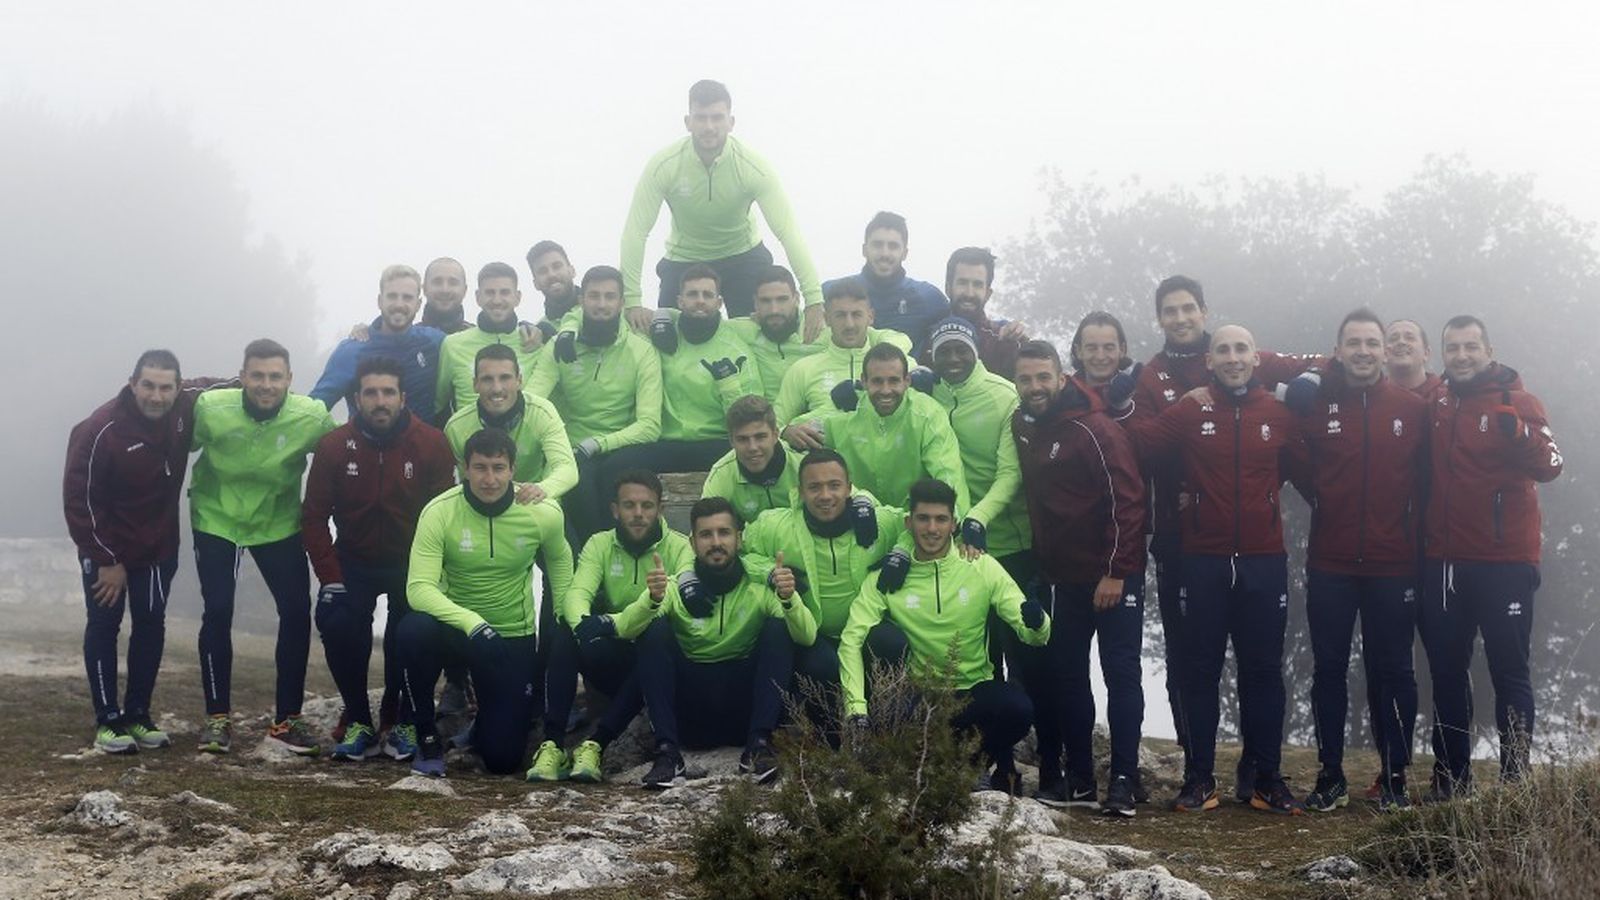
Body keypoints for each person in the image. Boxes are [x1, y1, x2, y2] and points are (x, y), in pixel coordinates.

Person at [1128, 275, 1316, 798]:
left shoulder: (1278, 413)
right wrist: (1137, 403)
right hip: (1200, 557)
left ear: (1257, 359)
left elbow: (1312, 478)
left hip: (1263, 559)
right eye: (1224, 352)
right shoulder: (1188, 407)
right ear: (1209, 361)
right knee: (1199, 669)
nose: (1233, 358)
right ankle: (1199, 778)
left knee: (1262, 670)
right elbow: (1138, 445)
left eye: (1242, 350)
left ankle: (1266, 777)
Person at [1275, 310, 1428, 812]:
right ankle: (1331, 774)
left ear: (1384, 350)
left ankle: (1396, 777)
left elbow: (1427, 479)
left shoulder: (1412, 407)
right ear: (1337, 350)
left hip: (1392, 563)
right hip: (1331, 562)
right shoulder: (1319, 404)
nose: (1363, 350)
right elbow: (1294, 459)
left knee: (1395, 671)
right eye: (1353, 343)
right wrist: (1325, 499)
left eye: (1371, 342)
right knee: (1329, 670)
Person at [1420, 315, 1562, 797]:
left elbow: (1552, 467)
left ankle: (1514, 782)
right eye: (1452, 348)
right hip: (1444, 563)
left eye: (1470, 347)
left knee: (1509, 671)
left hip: (1505, 564)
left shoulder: (1518, 402)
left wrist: (1519, 433)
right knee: (1446, 671)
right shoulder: (1437, 399)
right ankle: (1452, 778)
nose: (1461, 356)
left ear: (1488, 349)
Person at [839, 478, 1050, 794]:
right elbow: (851, 641)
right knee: (880, 639)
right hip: (916, 700)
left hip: (971, 695)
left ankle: (970, 767)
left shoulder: (981, 567)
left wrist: (1037, 623)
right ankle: (920, 765)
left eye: (941, 519)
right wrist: (856, 709)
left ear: (954, 524)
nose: (932, 528)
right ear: (909, 522)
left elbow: (1031, 633)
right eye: (923, 519)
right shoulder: (887, 577)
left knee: (1018, 710)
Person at [63, 350, 223, 754]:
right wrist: (106, 559)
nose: (157, 395)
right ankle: (108, 721)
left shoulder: (185, 404)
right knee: (104, 625)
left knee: (150, 624)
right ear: (132, 383)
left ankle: (138, 715)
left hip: (158, 548)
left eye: (166, 387)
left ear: (177, 387)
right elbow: (79, 500)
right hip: (107, 549)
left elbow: (224, 385)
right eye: (148, 385)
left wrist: (256, 384)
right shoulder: (100, 429)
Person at [1012, 340, 1147, 815]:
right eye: (1025, 379)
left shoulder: (1096, 430)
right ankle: (1083, 780)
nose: (1035, 387)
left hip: (1112, 577)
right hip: (1061, 579)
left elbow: (1128, 504)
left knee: (1121, 673)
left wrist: (1115, 572)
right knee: (1068, 678)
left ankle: (1125, 781)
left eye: (1043, 377)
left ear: (1061, 377)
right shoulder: (1024, 426)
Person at [302, 357, 456, 761]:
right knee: (336, 619)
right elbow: (313, 517)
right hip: (354, 558)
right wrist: (329, 576)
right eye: (371, 393)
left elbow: (447, 515)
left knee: (416, 633)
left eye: (388, 392)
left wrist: (435, 574)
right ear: (357, 399)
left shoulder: (433, 443)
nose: (380, 401)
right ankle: (358, 718)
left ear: (404, 397)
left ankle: (402, 715)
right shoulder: (334, 445)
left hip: (413, 562)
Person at [399, 428, 575, 777]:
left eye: (498, 468)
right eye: (480, 468)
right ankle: (426, 733)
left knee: (502, 759)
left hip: (511, 635)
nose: (490, 479)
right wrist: (472, 624)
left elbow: (559, 564)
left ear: (513, 469)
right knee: (413, 629)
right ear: (465, 468)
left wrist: (563, 617)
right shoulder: (440, 512)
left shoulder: (543, 512)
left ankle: (481, 726)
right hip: (456, 631)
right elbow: (418, 589)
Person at [189, 339, 336, 755]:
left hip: (277, 522)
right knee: (218, 609)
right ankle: (217, 719)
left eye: (275, 377)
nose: (266, 385)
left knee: (294, 611)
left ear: (290, 379)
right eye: (257, 376)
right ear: (242, 377)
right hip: (216, 518)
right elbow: (171, 443)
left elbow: (340, 457)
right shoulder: (212, 409)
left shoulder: (311, 416)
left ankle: (287, 719)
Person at [614, 497, 817, 788]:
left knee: (778, 628)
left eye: (724, 533)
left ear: (739, 537)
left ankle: (759, 745)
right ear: (692, 542)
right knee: (653, 629)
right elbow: (625, 629)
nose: (716, 542)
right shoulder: (674, 587)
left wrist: (789, 598)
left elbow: (806, 635)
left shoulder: (761, 586)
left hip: (744, 714)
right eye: (706, 535)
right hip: (692, 717)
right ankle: (668, 753)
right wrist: (652, 599)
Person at [620, 79, 824, 335]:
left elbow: (787, 231)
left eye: (717, 118)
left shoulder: (752, 167)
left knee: (759, 335)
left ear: (731, 122)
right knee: (667, 336)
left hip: (743, 255)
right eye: (701, 118)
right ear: (688, 122)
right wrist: (632, 300)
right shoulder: (664, 165)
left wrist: (814, 299)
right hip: (684, 257)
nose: (709, 127)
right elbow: (636, 231)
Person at [530, 470, 694, 783]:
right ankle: (552, 744)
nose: (638, 514)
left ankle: (596, 744)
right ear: (614, 510)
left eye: (647, 506)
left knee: (655, 629)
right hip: (615, 654)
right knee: (566, 630)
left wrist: (609, 624)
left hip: (659, 663)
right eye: (629, 505)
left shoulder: (680, 547)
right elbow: (577, 594)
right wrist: (582, 626)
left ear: (660, 509)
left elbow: (673, 601)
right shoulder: (599, 544)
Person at [741, 450, 908, 700]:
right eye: (814, 487)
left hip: (867, 627)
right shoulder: (774, 526)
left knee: (892, 641)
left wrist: (902, 551)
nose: (825, 496)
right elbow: (744, 554)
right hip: (814, 634)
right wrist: (770, 573)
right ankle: (827, 733)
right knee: (821, 666)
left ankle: (884, 725)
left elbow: (917, 526)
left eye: (834, 485)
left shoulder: (877, 522)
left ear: (849, 488)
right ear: (800, 491)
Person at [528, 265, 663, 540]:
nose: (602, 304)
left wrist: (598, 444)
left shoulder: (641, 350)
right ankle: (590, 566)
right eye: (594, 296)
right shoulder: (561, 345)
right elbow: (533, 400)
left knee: (615, 479)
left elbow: (650, 426)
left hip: (621, 446)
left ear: (622, 303)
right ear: (581, 300)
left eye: (610, 297)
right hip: (572, 448)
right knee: (576, 483)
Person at [645, 265, 765, 473]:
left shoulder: (737, 350)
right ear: (680, 301)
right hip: (666, 442)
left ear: (719, 302)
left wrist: (728, 386)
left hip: (716, 443)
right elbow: (620, 319)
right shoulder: (662, 335)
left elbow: (752, 418)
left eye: (707, 294)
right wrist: (660, 313)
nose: (700, 300)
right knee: (616, 466)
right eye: (692, 294)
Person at [822, 343, 969, 512]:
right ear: (864, 381)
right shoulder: (847, 409)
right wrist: (789, 431)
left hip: (913, 524)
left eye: (894, 381)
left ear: (907, 381)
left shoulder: (928, 414)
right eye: (877, 381)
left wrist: (955, 521)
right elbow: (804, 428)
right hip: (860, 519)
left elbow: (948, 473)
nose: (886, 390)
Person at [774, 278, 912, 449]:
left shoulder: (900, 365)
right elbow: (773, 426)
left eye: (856, 314)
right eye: (840, 315)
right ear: (826, 318)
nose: (849, 324)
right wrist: (787, 432)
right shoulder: (803, 369)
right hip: (826, 471)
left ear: (870, 316)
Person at [311, 264, 447, 422]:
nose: (399, 304)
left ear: (418, 304)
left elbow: (469, 346)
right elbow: (315, 410)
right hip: (367, 445)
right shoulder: (352, 351)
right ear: (380, 301)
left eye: (407, 297)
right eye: (392, 296)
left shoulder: (434, 342)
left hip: (421, 445)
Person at [444, 344, 577, 503]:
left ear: (519, 380)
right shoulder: (456, 427)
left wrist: (541, 489)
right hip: (482, 504)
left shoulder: (542, 412)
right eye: (487, 379)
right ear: (475, 384)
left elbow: (567, 469)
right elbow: (461, 481)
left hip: (533, 501)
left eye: (505, 378)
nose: (497, 388)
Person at [825, 211, 948, 357]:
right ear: (864, 250)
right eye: (877, 245)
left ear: (905, 253)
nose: (885, 253)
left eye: (893, 246)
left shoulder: (929, 298)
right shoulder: (830, 293)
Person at [435, 262, 546, 418]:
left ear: (518, 297)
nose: (497, 300)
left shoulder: (535, 342)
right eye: (490, 293)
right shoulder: (452, 345)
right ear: (478, 297)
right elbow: (439, 404)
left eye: (505, 292)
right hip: (470, 439)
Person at [725, 265, 823, 400]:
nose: (774, 310)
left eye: (782, 299)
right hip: (765, 417)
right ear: (755, 303)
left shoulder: (823, 331)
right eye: (765, 301)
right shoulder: (741, 330)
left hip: (815, 415)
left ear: (797, 299)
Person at [700, 395, 800, 523]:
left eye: (760, 437)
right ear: (731, 441)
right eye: (742, 439)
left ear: (775, 435)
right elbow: (706, 525)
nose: (752, 447)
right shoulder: (722, 474)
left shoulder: (802, 463)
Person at [936, 247, 1028, 379]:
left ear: (988, 293)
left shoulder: (1004, 338)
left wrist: (1015, 341)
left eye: (977, 285)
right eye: (962, 283)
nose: (969, 293)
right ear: (948, 288)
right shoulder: (928, 335)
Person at [525, 240, 581, 333]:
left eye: (557, 266)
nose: (551, 274)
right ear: (536, 284)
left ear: (572, 271)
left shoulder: (602, 311)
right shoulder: (538, 335)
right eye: (543, 271)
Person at [1384, 318, 1441, 397]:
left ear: (1426, 353)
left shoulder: (1445, 397)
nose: (1401, 342)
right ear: (1383, 353)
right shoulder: (1371, 399)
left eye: (1409, 338)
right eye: (1393, 339)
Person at [421, 258, 472, 334]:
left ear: (464, 290)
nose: (445, 290)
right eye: (437, 282)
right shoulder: (406, 341)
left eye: (453, 283)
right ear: (425, 289)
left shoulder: (483, 342)